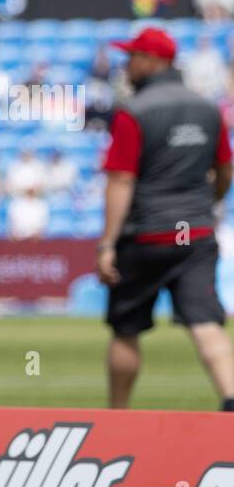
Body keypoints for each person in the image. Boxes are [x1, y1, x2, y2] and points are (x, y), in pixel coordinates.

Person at [97, 26, 234, 410]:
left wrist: (107, 243)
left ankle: (118, 416)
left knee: (125, 330)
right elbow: (225, 170)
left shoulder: (134, 112)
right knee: (206, 323)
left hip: (146, 235)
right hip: (195, 233)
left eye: (133, 57)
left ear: (153, 61)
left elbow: (121, 180)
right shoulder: (208, 109)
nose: (127, 64)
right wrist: (209, 203)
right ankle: (231, 400)